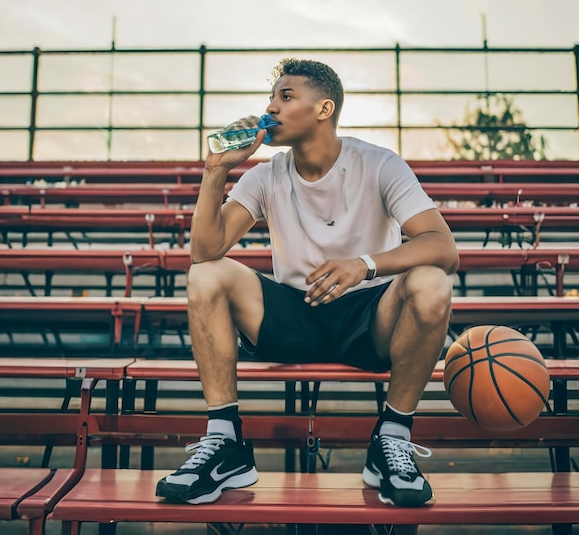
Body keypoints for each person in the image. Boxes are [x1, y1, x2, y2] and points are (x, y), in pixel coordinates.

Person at [156, 58, 459, 508]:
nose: (271, 107)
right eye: (271, 97)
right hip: (294, 314)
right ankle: (226, 445)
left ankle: (391, 440)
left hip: (367, 316)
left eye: (286, 96)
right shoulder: (265, 175)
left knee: (433, 282)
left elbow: (444, 247)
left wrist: (365, 264)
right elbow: (205, 249)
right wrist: (215, 171)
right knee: (206, 274)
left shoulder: (379, 164)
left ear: (323, 108)